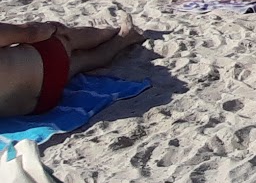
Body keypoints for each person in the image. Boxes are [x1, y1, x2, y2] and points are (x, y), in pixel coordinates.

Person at [0, 20, 147, 117]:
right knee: (66, 38)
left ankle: (123, 37)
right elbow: (32, 33)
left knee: (81, 61)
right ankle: (117, 34)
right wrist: (53, 27)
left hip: (39, 106)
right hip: (50, 61)